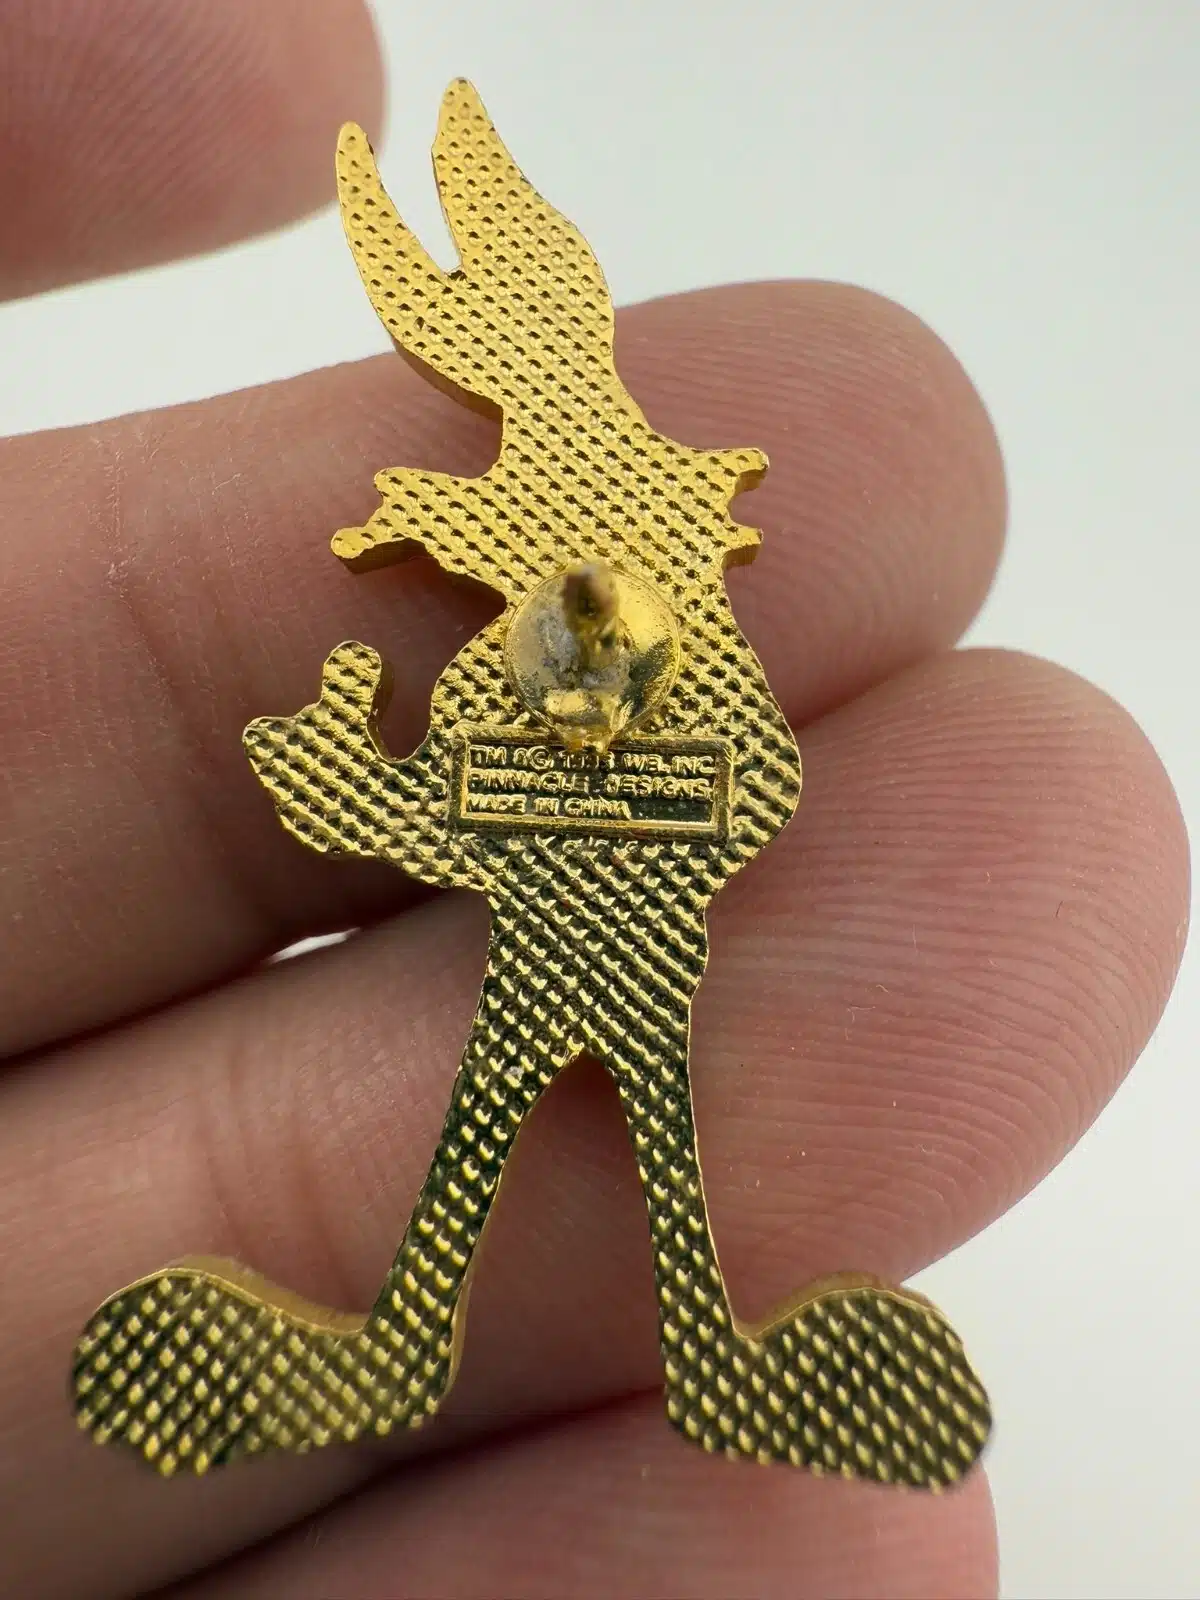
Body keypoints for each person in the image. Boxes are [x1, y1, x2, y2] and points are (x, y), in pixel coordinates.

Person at [0, 5, 1187, 1598]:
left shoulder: (651, 643)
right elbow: (465, 817)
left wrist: (494, 809)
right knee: (505, 1141)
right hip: (561, 948)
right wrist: (357, 791)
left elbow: (752, 792)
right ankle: (451, 1349)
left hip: (630, 953)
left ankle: (684, 1355)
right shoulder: (510, 663)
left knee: (621, 1147)